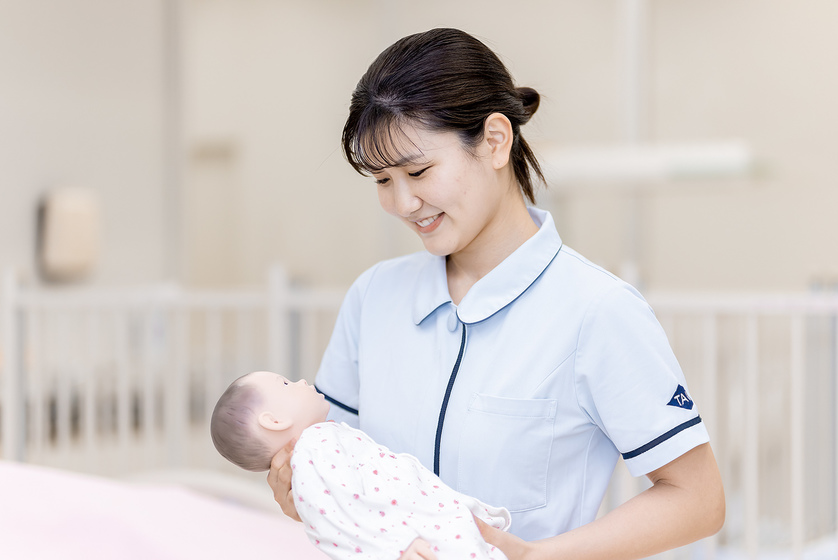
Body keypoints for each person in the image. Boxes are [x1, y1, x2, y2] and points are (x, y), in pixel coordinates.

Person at [267, 27, 725, 560]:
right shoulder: (373, 297)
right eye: (382, 180)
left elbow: (699, 499)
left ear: (494, 141)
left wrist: (534, 557)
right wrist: (299, 491)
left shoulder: (597, 311)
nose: (403, 202)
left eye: (417, 171)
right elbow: (337, 466)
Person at [211, 371, 512, 560]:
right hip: (418, 536)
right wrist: (395, 549)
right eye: (286, 383)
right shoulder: (312, 451)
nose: (301, 381)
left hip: (426, 527)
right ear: (274, 421)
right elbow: (343, 521)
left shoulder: (324, 440)